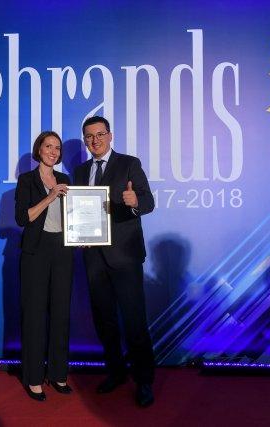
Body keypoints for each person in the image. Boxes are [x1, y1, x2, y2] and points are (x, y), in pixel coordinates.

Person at [73, 116, 156, 407]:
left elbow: (148, 201)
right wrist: (76, 232)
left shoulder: (129, 163)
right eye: (89, 136)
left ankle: (144, 380)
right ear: (85, 140)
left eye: (100, 134)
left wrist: (136, 202)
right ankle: (116, 372)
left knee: (134, 321)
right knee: (104, 320)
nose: (95, 140)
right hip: (93, 256)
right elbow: (78, 211)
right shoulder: (80, 171)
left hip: (125, 257)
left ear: (110, 135)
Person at [15, 131, 73, 401]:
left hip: (63, 250)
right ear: (39, 149)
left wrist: (84, 236)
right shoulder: (27, 180)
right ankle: (34, 378)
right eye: (48, 146)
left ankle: (59, 374)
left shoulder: (65, 180)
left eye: (57, 148)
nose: (53, 151)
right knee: (35, 314)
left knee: (61, 313)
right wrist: (50, 197)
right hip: (36, 251)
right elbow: (23, 218)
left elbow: (74, 215)